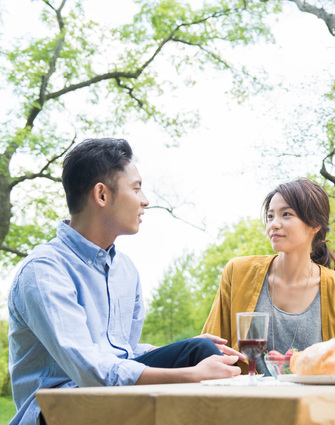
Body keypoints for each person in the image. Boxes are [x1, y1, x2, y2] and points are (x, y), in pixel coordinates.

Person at [7, 138, 245, 425]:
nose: (145, 200)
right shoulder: (44, 270)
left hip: (110, 398)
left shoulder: (124, 269)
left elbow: (124, 353)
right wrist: (191, 374)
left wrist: (184, 349)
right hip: (58, 409)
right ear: (102, 195)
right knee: (196, 365)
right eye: (135, 188)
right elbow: (91, 371)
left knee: (200, 351)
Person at [202, 178, 335, 375]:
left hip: (312, 403)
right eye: (270, 216)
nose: (274, 224)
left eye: (286, 214)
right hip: (245, 399)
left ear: (315, 224)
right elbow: (210, 349)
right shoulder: (238, 272)